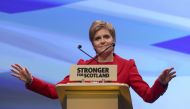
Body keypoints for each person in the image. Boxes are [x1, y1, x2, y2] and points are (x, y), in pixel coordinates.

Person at [11, 20, 176, 103]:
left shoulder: (127, 65)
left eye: (106, 36)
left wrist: (161, 83)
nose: (103, 41)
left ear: (113, 40)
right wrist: (31, 81)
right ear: (93, 44)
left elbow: (148, 96)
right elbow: (56, 92)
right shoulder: (84, 66)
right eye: (98, 38)